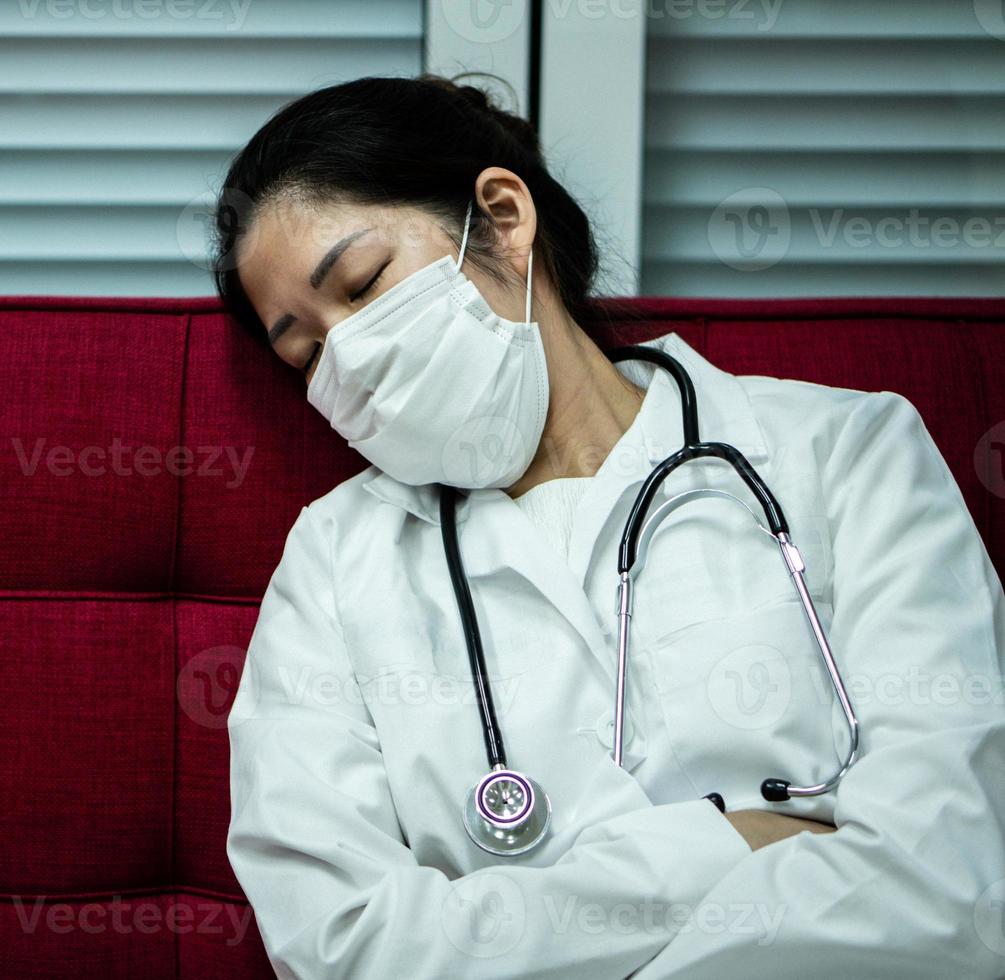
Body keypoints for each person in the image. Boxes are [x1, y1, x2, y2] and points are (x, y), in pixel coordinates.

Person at [214, 73, 1005, 979]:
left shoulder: (846, 453)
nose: (345, 356)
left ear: (503, 220)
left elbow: (952, 887)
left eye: (362, 283)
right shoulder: (333, 561)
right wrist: (720, 850)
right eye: (306, 352)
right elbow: (345, 947)